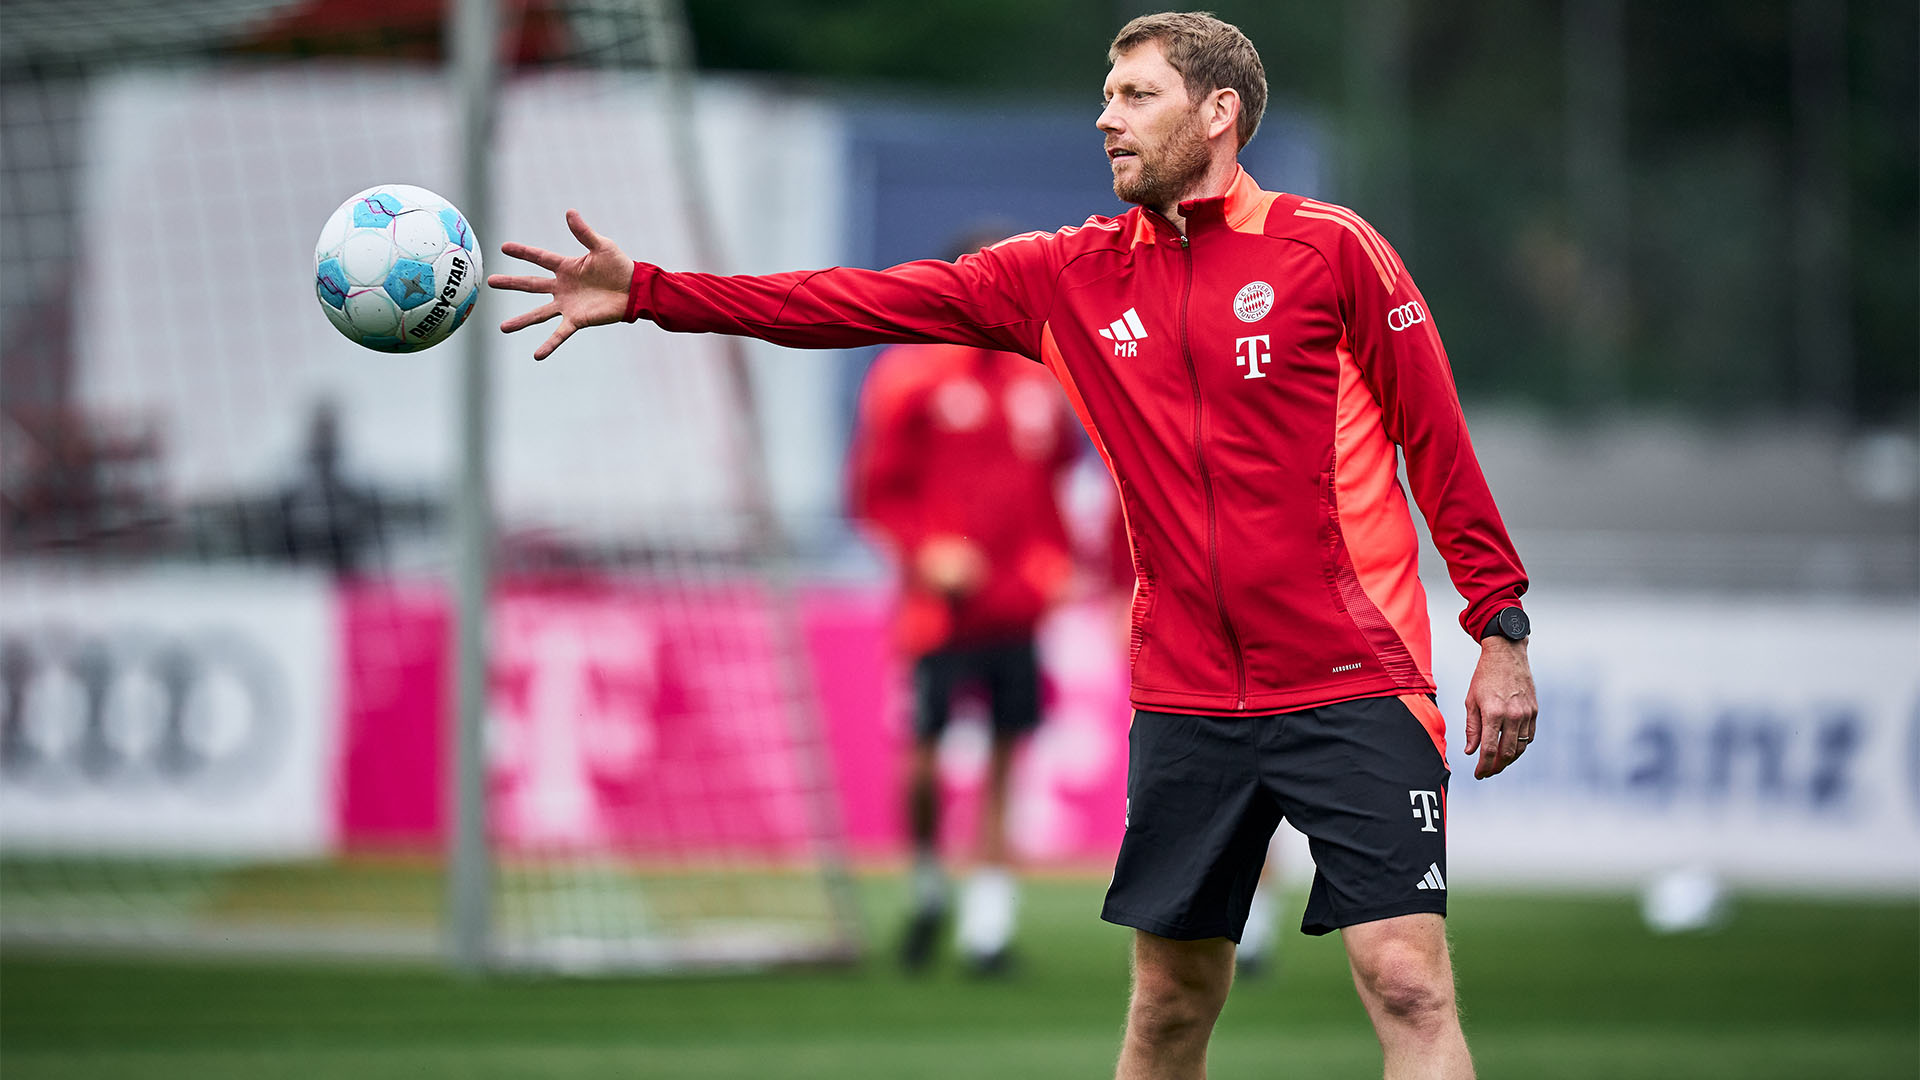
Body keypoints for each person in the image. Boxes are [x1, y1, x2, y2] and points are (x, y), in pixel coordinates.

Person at [489, 13, 1538, 1078]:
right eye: (1106, 94)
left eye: (1137, 96)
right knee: (1170, 1005)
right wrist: (654, 295)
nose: (1107, 117)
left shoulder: (1332, 250)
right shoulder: (1062, 277)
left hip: (1352, 677)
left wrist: (1498, 624)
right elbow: (850, 302)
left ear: (1220, 114)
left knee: (1406, 978)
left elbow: (1435, 441)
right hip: (1188, 694)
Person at [846, 235, 1080, 972]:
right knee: (924, 756)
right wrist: (926, 552)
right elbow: (872, 494)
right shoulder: (910, 375)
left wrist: (1058, 560)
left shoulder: (1041, 379)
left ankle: (989, 925)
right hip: (938, 611)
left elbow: (1058, 485)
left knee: (1008, 756)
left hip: (1017, 607)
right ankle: (924, 886)